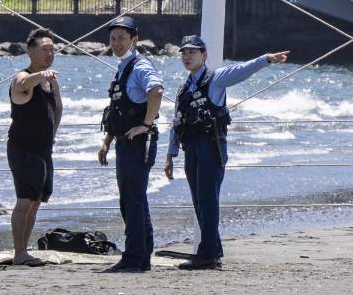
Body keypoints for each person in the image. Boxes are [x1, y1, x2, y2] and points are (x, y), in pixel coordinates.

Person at [163, 36, 289, 270]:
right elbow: (177, 121)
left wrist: (266, 59)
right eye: (184, 53)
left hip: (210, 145)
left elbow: (240, 71)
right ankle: (211, 250)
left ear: (204, 55)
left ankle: (208, 254)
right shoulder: (184, 89)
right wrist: (170, 155)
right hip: (191, 147)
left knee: (208, 199)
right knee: (199, 200)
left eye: (192, 52)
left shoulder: (215, 79)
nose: (187, 56)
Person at [97, 16, 164, 272]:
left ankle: (134, 258)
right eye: (113, 38)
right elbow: (118, 111)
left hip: (139, 142)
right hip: (125, 142)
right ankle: (143, 255)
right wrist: (107, 142)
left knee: (132, 201)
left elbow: (156, 91)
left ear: (134, 39)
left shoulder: (139, 66)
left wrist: (146, 124)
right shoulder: (123, 67)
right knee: (134, 200)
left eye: (122, 38)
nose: (116, 43)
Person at [7, 28, 62, 267]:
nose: (49, 53)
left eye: (52, 49)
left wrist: (52, 134)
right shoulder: (25, 77)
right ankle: (19, 253)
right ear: (30, 52)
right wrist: (40, 76)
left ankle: (25, 251)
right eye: (44, 49)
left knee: (36, 201)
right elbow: (20, 84)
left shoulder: (51, 80)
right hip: (23, 149)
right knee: (24, 200)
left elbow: (57, 108)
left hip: (43, 150)